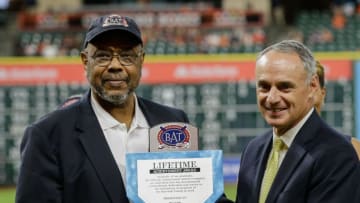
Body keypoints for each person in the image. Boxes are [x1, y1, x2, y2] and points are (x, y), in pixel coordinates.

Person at [15, 14, 232, 203]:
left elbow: (199, 194)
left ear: (141, 61)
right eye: (102, 56)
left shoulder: (173, 121)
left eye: (127, 56)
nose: (116, 65)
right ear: (84, 61)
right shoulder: (48, 135)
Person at [235, 40, 359, 203]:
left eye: (284, 87)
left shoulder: (338, 154)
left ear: (313, 86)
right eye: (264, 87)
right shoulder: (253, 150)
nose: (272, 98)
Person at [314, 60, 360, 159]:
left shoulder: (353, 148)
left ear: (323, 93)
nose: (308, 95)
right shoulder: (275, 148)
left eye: (313, 87)